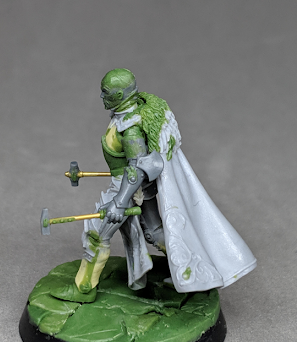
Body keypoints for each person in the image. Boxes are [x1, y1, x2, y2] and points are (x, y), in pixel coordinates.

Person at [74, 68, 255, 296]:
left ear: (119, 96)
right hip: (137, 188)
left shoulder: (130, 129)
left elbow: (137, 168)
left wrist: (119, 202)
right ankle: (194, 273)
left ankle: (83, 289)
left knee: (97, 236)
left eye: (106, 92)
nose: (102, 96)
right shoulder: (130, 112)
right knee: (154, 231)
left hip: (126, 189)